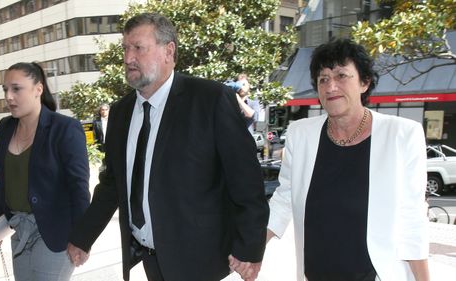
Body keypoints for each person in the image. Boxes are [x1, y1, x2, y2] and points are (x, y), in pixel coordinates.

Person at [67, 13, 268, 281]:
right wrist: (83, 236)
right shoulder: (121, 112)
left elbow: (247, 181)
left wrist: (250, 249)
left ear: (168, 51)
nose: (128, 58)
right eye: (125, 48)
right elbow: (113, 184)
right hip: (148, 261)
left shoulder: (210, 100)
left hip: (200, 264)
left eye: (138, 48)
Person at [266, 38, 430, 281]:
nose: (331, 87)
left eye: (342, 75)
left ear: (364, 82)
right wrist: (250, 249)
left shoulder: (402, 134)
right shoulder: (301, 135)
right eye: (323, 79)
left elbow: (412, 218)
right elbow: (284, 198)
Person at [0, 62, 91, 281]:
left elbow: (79, 188)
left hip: (55, 234)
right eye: (5, 89)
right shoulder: (5, 127)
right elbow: (3, 181)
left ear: (38, 89)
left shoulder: (64, 128)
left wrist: (83, 239)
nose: (8, 96)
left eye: (16, 88)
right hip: (19, 230)